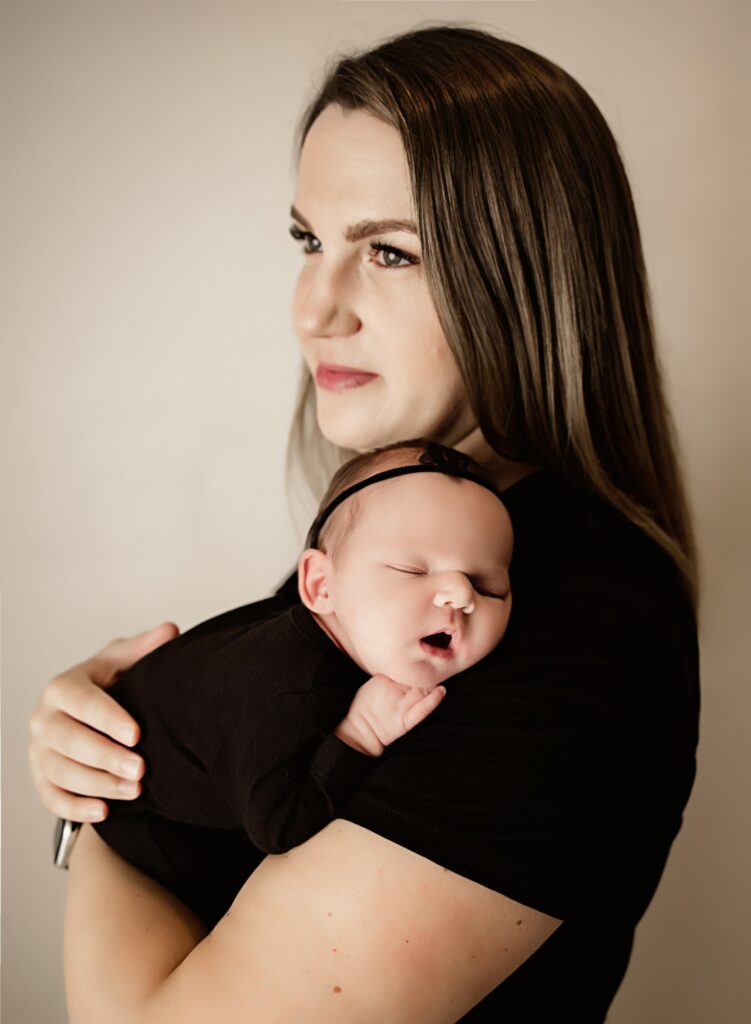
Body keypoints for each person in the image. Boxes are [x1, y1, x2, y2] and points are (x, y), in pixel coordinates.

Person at [30, 24, 700, 1024]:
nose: (312, 307)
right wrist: (110, 732)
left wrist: (113, 811)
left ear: (523, 281)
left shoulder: (579, 621)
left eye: (389, 250)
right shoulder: (405, 546)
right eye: (308, 240)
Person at [91, 438, 514, 927]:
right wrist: (359, 735)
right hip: (146, 836)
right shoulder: (287, 687)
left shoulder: (336, 638)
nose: (462, 595)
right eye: (411, 569)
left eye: (488, 586)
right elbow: (279, 826)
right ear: (320, 586)